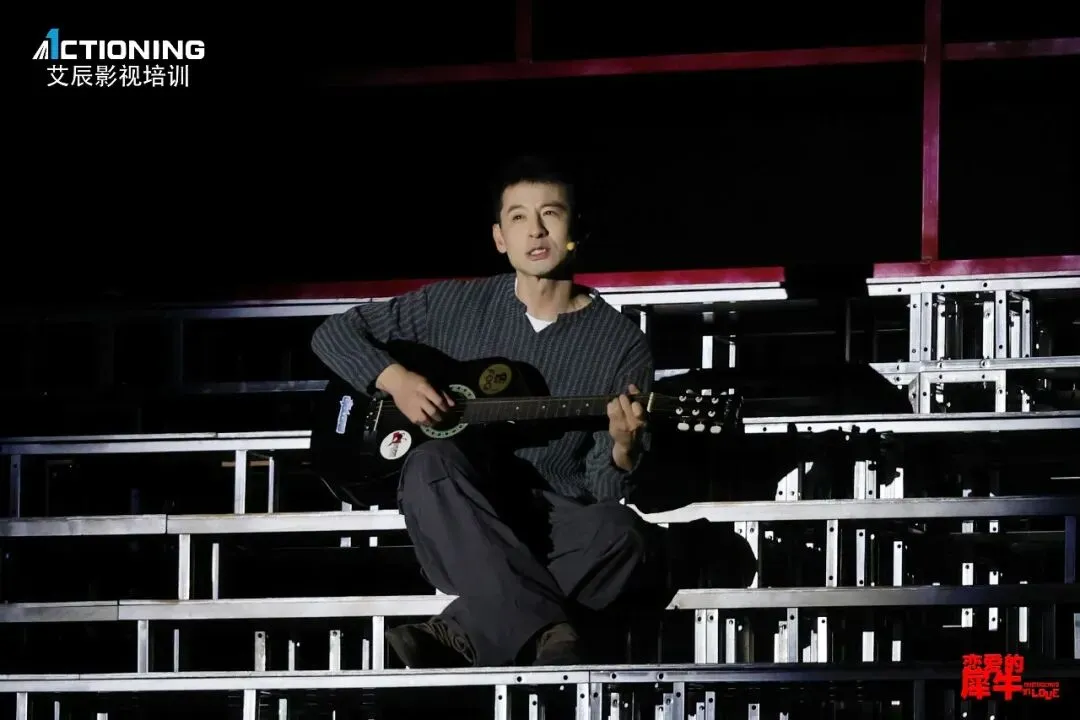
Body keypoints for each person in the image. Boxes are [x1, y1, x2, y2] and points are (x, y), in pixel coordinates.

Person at [310, 155, 661, 668]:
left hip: (550, 519)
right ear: (500, 238)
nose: (535, 230)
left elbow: (601, 491)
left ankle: (462, 633)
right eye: (518, 217)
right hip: (461, 513)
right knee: (432, 461)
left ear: (577, 230)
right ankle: (547, 631)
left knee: (624, 535)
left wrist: (623, 450)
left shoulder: (621, 343)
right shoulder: (456, 305)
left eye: (551, 213)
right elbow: (333, 333)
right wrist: (397, 381)